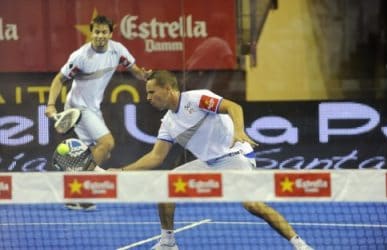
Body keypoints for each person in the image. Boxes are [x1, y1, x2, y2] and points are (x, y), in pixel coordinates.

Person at [109, 70, 313, 250]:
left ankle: (300, 245)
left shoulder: (198, 99)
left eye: (152, 92)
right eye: (147, 93)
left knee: (252, 205)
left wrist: (239, 131)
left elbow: (233, 107)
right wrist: (122, 171)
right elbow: (156, 157)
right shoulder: (168, 123)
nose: (148, 97)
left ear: (168, 88)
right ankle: (168, 243)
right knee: (165, 187)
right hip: (208, 163)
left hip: (235, 155)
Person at [46, 15, 150, 211]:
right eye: (96, 32)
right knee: (107, 142)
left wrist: (143, 76)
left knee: (103, 152)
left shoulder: (117, 50)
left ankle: (75, 193)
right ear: (91, 33)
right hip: (77, 107)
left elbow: (134, 69)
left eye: (104, 32)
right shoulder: (80, 56)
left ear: (110, 33)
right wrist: (51, 104)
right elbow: (59, 80)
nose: (100, 35)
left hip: (93, 108)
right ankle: (80, 189)